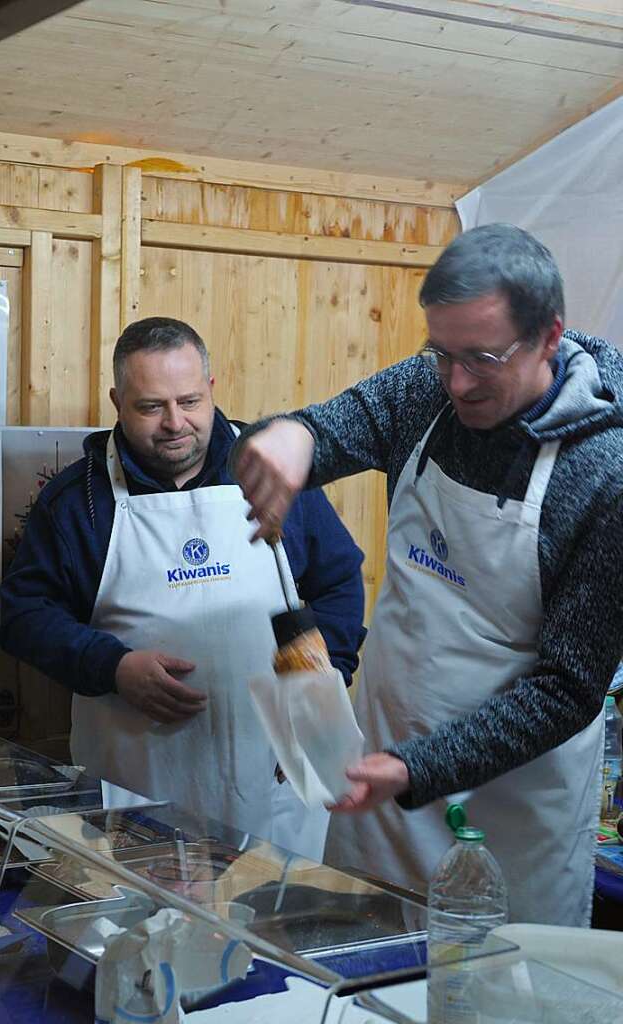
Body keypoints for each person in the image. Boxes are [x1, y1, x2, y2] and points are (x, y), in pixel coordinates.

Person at [231, 224, 623, 924]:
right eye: (441, 353)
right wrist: (290, 437)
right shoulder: (430, 389)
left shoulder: (603, 474)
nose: (457, 381)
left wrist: (419, 768)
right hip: (380, 790)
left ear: (549, 336)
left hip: (511, 818)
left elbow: (570, 688)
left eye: (482, 358)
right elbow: (332, 426)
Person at [0, 316, 366, 860]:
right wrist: (112, 667)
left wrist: (314, 683)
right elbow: (24, 616)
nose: (175, 423)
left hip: (276, 771)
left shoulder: (270, 473)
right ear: (117, 401)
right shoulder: (79, 501)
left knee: (274, 919)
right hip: (139, 782)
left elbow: (337, 580)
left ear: (212, 390)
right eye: (151, 407)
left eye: (190, 401)